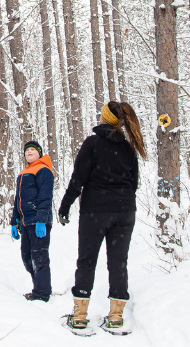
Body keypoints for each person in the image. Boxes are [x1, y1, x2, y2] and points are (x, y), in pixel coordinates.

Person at [57, 101, 146, 333]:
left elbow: (78, 179)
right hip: (125, 211)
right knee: (118, 263)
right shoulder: (128, 147)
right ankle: (116, 317)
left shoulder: (92, 143)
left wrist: (65, 206)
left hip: (95, 211)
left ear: (105, 118)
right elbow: (134, 183)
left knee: (87, 261)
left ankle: (79, 316)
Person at [11, 141, 54, 302]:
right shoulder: (23, 173)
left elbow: (45, 196)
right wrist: (14, 221)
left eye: (32, 150)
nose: (29, 152)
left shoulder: (43, 170)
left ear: (39, 153)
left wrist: (42, 220)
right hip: (25, 222)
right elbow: (18, 199)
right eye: (26, 150)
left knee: (39, 257)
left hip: (39, 222)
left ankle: (42, 293)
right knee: (27, 257)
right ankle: (38, 287)